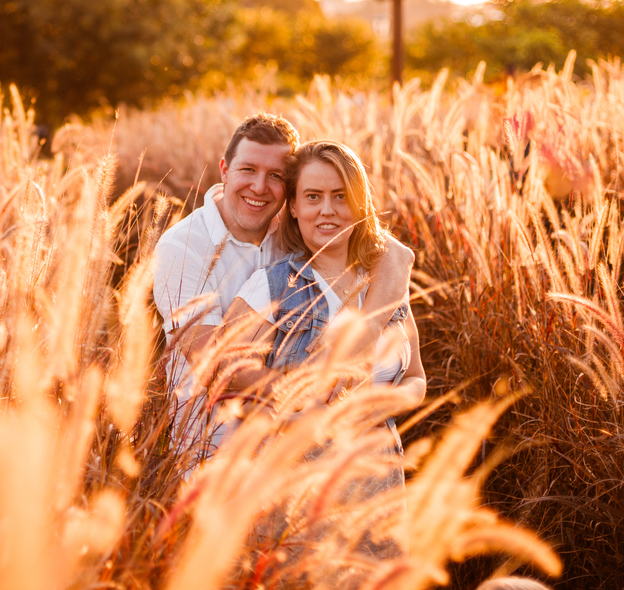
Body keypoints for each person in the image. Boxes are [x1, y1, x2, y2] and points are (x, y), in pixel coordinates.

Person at [152, 116, 414, 462]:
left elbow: (397, 254)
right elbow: (218, 363)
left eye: (275, 175)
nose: (260, 187)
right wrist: (317, 396)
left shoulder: (291, 228)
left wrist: (364, 336)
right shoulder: (183, 247)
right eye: (248, 170)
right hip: (207, 447)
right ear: (224, 170)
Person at [222, 139, 426, 563]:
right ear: (293, 207)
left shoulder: (387, 285)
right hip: (294, 490)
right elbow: (228, 377)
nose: (327, 210)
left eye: (340, 197)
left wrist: (381, 403)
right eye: (312, 197)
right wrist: (295, 413)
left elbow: (416, 379)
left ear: (359, 203)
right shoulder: (272, 288)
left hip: (378, 487)